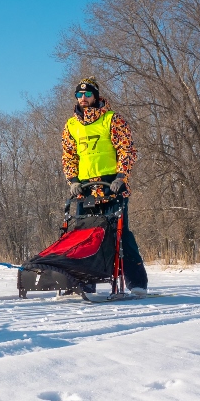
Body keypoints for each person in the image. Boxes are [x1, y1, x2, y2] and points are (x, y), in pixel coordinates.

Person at [61, 77, 148, 294]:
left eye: (87, 94)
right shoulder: (71, 125)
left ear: (96, 96)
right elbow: (68, 156)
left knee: (119, 234)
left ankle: (137, 283)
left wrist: (121, 176)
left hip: (111, 185)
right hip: (85, 189)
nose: (83, 98)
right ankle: (83, 282)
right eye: (79, 95)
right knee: (84, 234)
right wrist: (73, 181)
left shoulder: (112, 119)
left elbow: (127, 149)